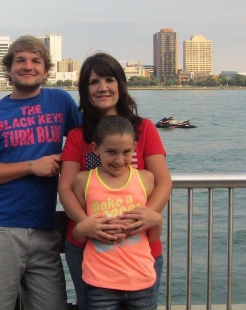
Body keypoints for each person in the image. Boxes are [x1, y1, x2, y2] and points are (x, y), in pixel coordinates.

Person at [0, 35, 81, 310]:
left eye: (35, 61)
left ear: (46, 70)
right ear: (8, 69)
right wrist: (32, 166)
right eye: (20, 60)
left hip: (44, 229)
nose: (28, 66)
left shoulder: (61, 101)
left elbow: (85, 144)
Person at [58, 52, 172, 309]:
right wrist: (85, 222)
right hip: (89, 248)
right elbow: (65, 188)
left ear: (120, 84)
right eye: (94, 82)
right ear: (85, 90)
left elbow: (163, 181)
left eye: (109, 79)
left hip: (139, 247)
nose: (103, 88)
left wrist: (148, 215)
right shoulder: (77, 136)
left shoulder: (144, 129)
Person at [72, 115, 161, 310]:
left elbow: (153, 236)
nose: (119, 160)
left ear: (135, 147)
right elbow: (79, 234)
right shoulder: (83, 181)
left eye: (126, 152)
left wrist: (157, 220)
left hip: (141, 278)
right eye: (111, 152)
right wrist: (84, 227)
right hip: (100, 281)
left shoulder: (145, 179)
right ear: (96, 148)